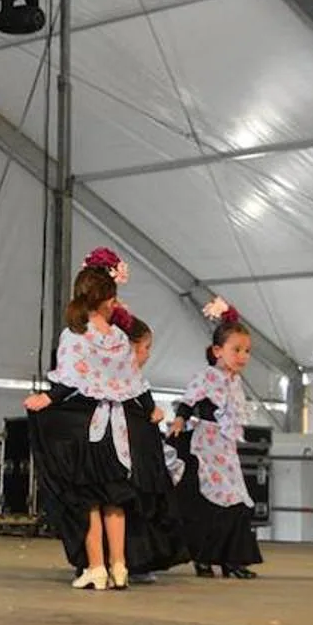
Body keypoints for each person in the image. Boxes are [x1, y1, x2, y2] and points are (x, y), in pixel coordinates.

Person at [25, 248, 188, 589]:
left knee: (89, 500)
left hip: (90, 433)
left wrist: (46, 399)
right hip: (121, 434)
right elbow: (134, 383)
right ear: (107, 297)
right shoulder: (117, 339)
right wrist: (149, 409)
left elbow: (67, 382)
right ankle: (120, 566)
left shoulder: (76, 334)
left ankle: (96, 568)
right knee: (117, 500)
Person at [167, 297, 263, 579]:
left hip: (226, 446)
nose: (243, 356)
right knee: (211, 501)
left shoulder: (235, 381)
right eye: (237, 350)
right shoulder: (208, 375)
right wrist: (180, 419)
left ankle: (231, 560)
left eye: (247, 351)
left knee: (236, 499)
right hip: (207, 445)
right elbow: (189, 400)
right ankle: (205, 557)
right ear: (218, 350)